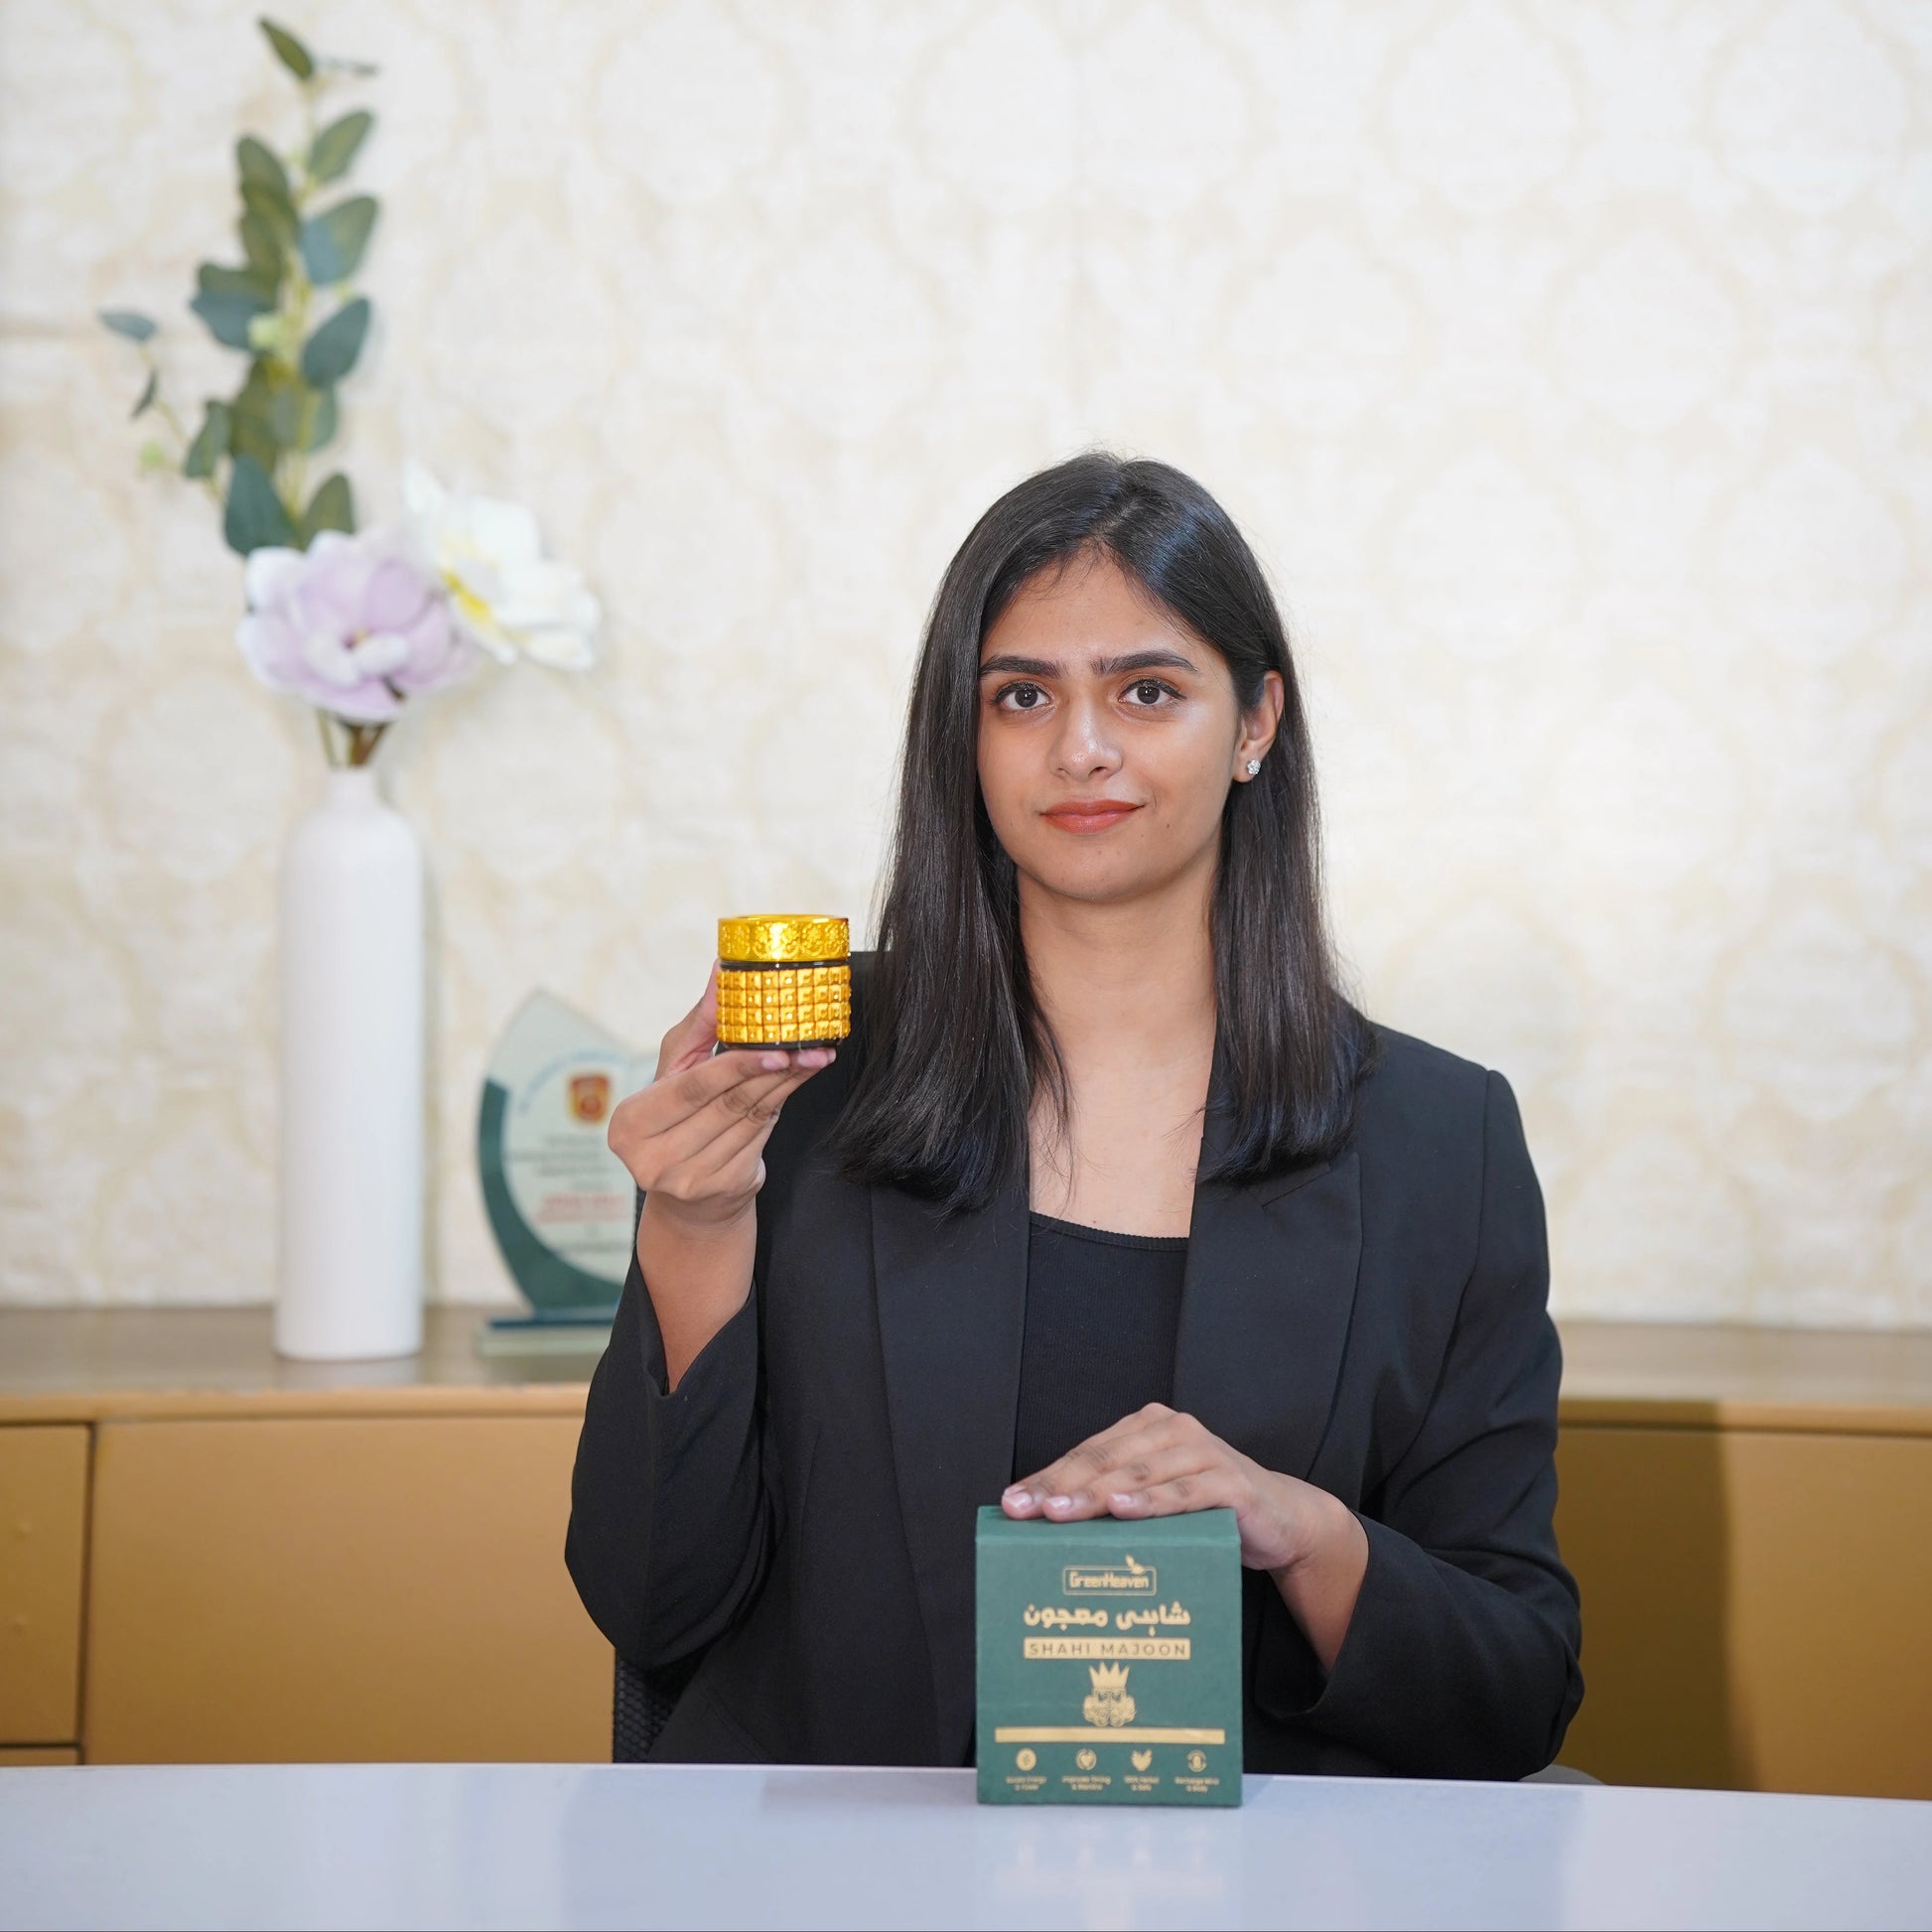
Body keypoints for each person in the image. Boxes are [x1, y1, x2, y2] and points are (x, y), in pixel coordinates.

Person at [566, 453, 1584, 1778]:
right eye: (1021, 694)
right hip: (845, 1879)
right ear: (964, 735)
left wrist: (1299, 1528)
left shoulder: (1440, 1143)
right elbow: (651, 1607)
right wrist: (693, 1226)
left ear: (1255, 722)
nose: (1080, 747)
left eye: (1145, 690)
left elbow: (1512, 1690)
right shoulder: (807, 1081)